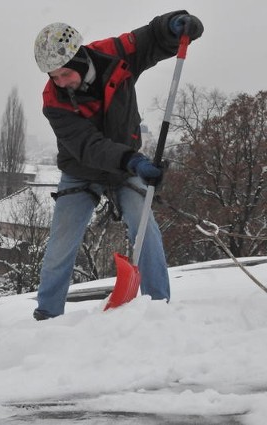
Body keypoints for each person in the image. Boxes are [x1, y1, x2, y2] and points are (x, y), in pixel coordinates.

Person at [32, 11, 203, 320]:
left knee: (144, 225)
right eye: (53, 77)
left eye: (64, 74)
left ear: (81, 59)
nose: (60, 82)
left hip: (126, 166)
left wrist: (173, 26)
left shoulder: (114, 56)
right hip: (82, 170)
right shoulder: (53, 100)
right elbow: (87, 145)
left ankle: (157, 307)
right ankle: (47, 316)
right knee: (61, 242)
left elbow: (149, 38)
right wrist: (133, 160)